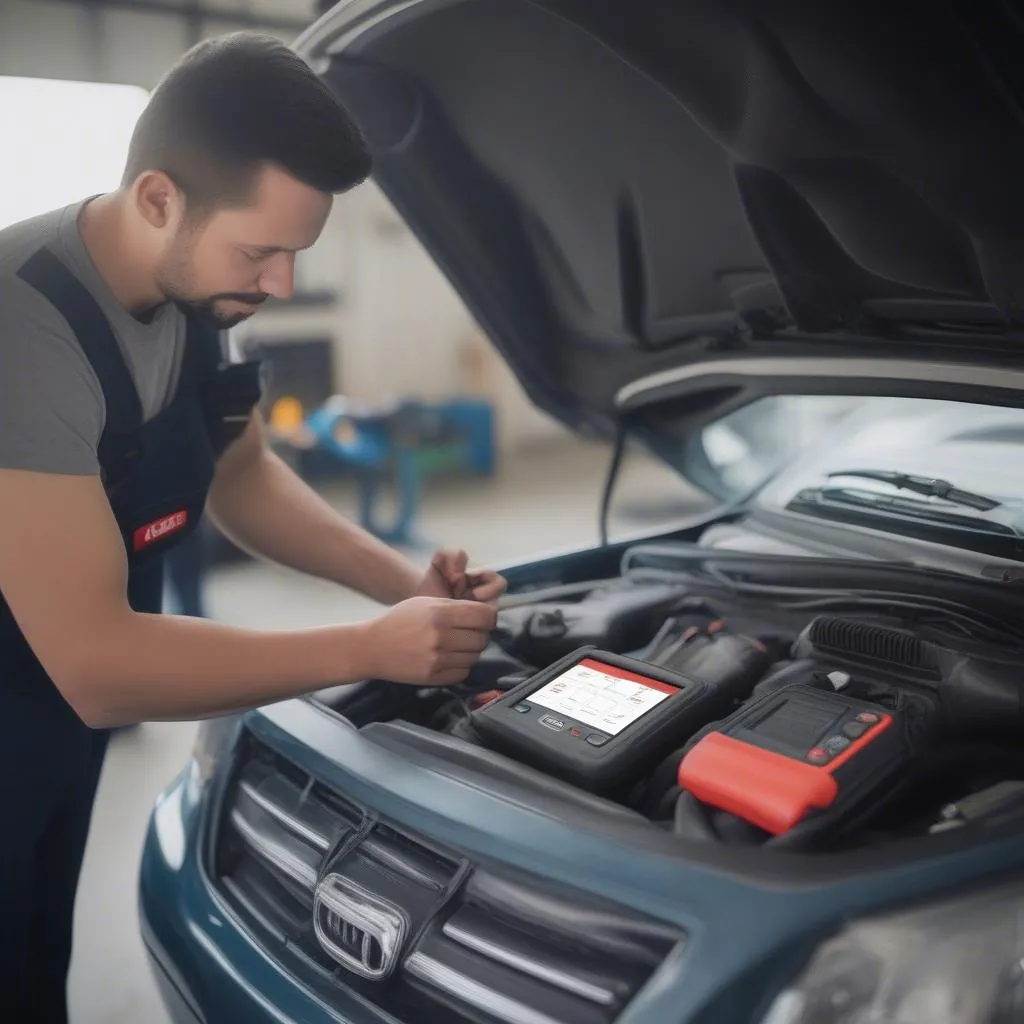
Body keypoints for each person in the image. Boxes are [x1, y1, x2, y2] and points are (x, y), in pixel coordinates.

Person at [0, 32, 505, 1024]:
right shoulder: (22, 331)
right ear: (157, 198)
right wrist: (368, 649)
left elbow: (244, 477)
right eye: (260, 250)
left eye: (294, 253)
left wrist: (402, 588)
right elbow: (99, 663)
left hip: (50, 719)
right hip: (49, 677)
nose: (280, 284)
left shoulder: (199, 292)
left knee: (30, 965)